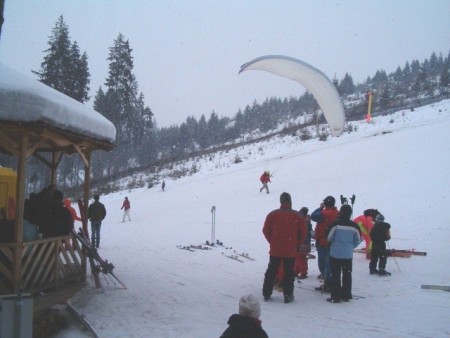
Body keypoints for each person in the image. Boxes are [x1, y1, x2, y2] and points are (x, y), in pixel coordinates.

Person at [262, 192, 306, 303]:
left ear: (281, 201)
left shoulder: (273, 214)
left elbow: (266, 230)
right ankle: (288, 295)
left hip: (276, 249)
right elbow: (303, 232)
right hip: (290, 250)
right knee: (289, 272)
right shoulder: (297, 216)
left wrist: (272, 241)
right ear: (290, 201)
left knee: (271, 271)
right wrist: (297, 244)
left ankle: (266, 293)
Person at [326, 204, 362, 303]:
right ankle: (346, 295)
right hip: (348, 255)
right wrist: (350, 246)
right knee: (347, 275)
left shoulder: (336, 224)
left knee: (336, 275)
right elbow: (358, 240)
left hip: (335, 254)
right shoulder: (354, 226)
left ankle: (335, 296)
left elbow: (329, 237)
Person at [311, 196, 339, 292]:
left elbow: (313, 216)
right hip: (334, 242)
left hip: (323, 241)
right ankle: (331, 282)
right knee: (331, 263)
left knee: (323, 264)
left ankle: (328, 283)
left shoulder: (324, 213)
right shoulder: (337, 213)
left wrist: (320, 208)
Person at [295, 207, 313, 279]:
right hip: (307, 242)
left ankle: (303, 273)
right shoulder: (308, 221)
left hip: (301, 243)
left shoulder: (301, 221)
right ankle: (297, 271)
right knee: (300, 258)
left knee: (300, 258)